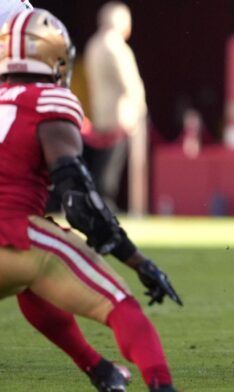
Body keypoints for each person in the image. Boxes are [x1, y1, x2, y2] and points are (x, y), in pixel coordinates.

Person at [0, 9, 181, 392]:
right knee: (122, 307)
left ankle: (101, 370)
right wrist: (139, 261)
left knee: (34, 288)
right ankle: (161, 385)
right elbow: (80, 204)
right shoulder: (49, 101)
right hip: (15, 236)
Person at [84, 2, 147, 214]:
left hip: (99, 113)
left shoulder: (93, 44)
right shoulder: (115, 47)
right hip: (120, 117)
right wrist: (139, 110)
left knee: (100, 164)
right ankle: (106, 205)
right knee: (109, 168)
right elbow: (130, 84)